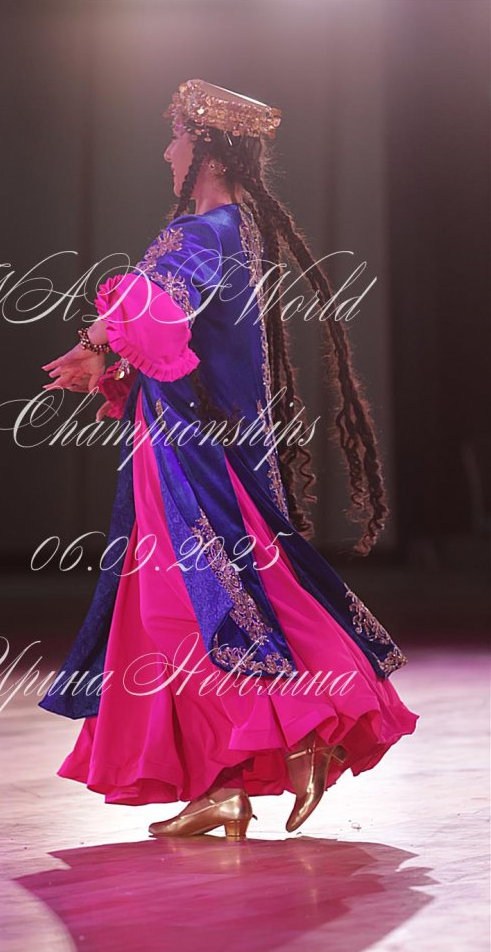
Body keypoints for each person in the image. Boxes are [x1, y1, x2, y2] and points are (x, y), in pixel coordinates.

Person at [38, 79, 419, 840]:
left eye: (176, 138)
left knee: (183, 606)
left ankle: (298, 732)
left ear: (206, 150)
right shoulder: (238, 232)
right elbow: (179, 338)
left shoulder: (202, 232)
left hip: (187, 458)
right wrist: (109, 355)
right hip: (201, 448)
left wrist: (93, 345)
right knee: (204, 602)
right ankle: (227, 782)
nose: (167, 152)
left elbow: (156, 313)